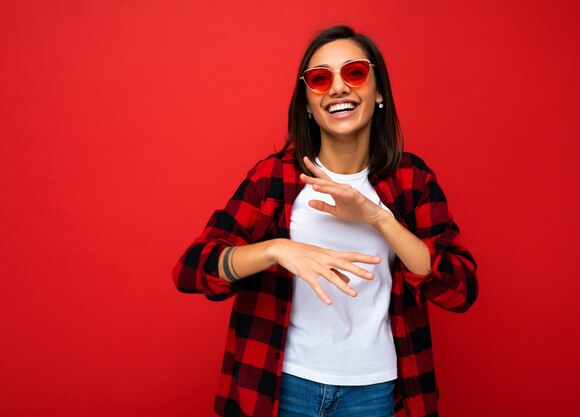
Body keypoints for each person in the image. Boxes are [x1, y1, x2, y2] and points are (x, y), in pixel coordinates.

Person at [173, 25, 478, 417]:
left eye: (354, 73)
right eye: (320, 79)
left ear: (378, 91)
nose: (337, 88)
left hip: (374, 392)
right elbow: (191, 269)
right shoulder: (273, 178)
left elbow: (459, 289)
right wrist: (276, 250)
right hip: (282, 388)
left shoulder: (411, 180)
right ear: (307, 102)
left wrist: (377, 218)